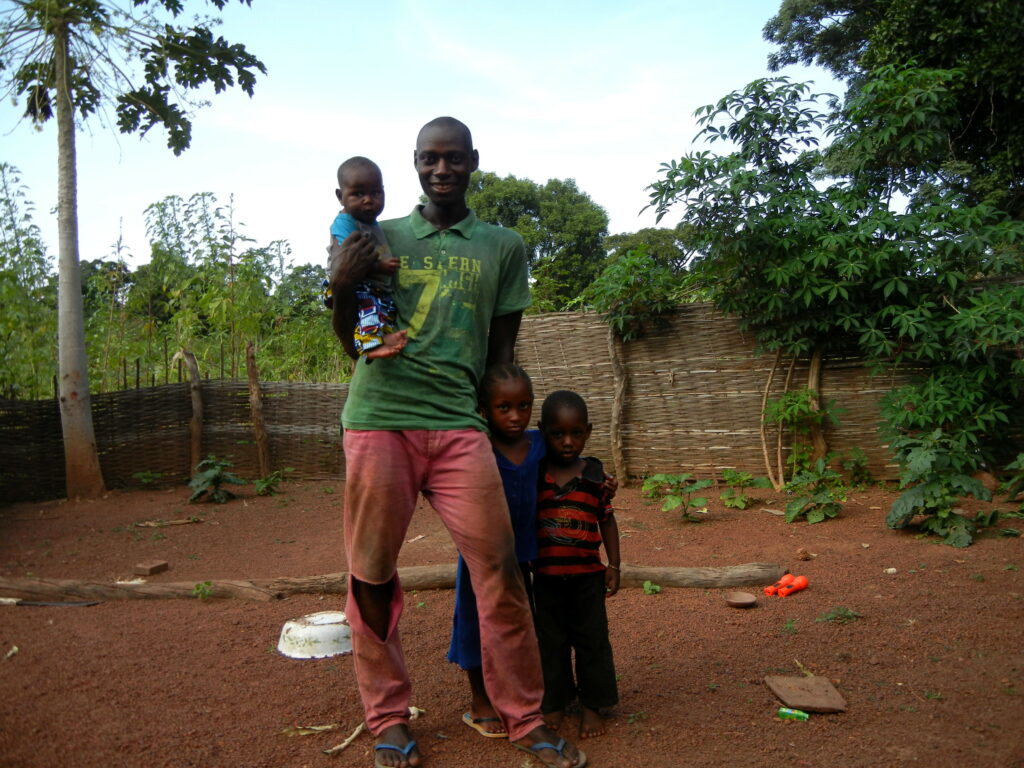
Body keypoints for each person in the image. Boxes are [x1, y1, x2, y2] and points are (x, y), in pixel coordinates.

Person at [328, 117, 586, 768]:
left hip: (458, 427)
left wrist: (510, 432)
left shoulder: (502, 246)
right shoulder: (376, 233)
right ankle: (388, 719)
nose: (441, 169)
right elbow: (351, 341)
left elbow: (502, 353)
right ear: (415, 164)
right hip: (379, 417)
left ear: (473, 162)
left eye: (454, 158)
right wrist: (340, 285)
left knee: (500, 571)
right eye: (429, 159)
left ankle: (523, 718)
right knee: (371, 578)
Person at [448, 363, 545, 740]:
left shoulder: (539, 444)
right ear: (485, 409)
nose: (516, 416)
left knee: (522, 625)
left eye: (524, 405)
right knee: (475, 623)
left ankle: (524, 695)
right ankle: (480, 703)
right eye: (504, 408)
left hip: (527, 554)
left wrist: (600, 477)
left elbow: (569, 466)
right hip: (481, 556)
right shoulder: (478, 446)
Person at [533, 390, 621, 739]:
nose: (568, 442)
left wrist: (614, 564)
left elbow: (607, 520)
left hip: (587, 578)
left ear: (588, 431)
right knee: (549, 642)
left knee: (592, 641)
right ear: (542, 431)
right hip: (546, 578)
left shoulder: (595, 479)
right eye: (557, 434)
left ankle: (591, 705)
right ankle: (554, 701)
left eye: (577, 433)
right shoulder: (536, 476)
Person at [326, 156, 408, 360]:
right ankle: (370, 346)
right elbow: (351, 257)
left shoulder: (372, 223)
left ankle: (381, 338)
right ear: (340, 196)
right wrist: (379, 266)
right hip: (355, 283)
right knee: (370, 308)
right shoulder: (345, 223)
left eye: (375, 193)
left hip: (370, 284)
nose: (368, 200)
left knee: (383, 307)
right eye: (358, 194)